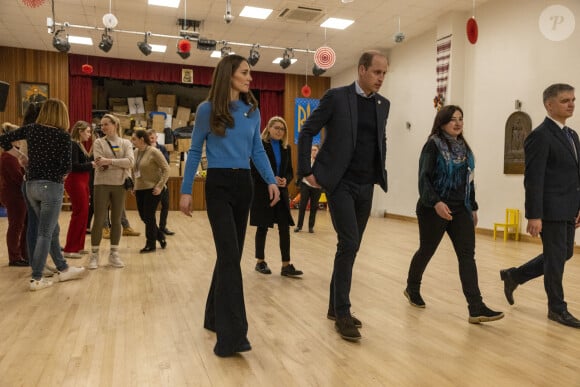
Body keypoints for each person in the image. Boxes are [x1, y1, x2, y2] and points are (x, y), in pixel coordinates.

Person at [179, 54, 280, 357]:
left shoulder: (252, 111)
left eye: (250, 73)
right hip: (218, 186)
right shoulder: (207, 110)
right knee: (228, 256)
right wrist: (185, 191)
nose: (251, 78)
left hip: (244, 185)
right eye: (245, 72)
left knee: (230, 255)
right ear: (229, 75)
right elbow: (195, 150)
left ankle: (212, 316)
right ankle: (232, 336)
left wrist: (271, 179)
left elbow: (256, 150)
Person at [297, 50, 389, 342]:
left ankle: (333, 307)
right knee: (348, 242)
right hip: (339, 183)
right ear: (361, 69)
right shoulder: (336, 98)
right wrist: (306, 170)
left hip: (366, 185)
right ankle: (344, 312)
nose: (381, 79)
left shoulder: (382, 105)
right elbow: (307, 130)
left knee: (352, 246)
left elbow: (377, 140)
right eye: (377, 72)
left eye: (384, 74)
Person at [404, 105, 504, 324]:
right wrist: (437, 202)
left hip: (461, 209)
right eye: (452, 119)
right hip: (433, 208)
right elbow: (424, 179)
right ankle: (412, 288)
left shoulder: (464, 149)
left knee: (467, 256)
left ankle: (476, 307)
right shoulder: (433, 145)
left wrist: (473, 207)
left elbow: (470, 180)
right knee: (427, 250)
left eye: (461, 119)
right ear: (442, 122)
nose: (458, 123)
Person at [500, 83, 580, 328]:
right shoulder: (540, 136)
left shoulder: (572, 135)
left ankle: (514, 275)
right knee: (556, 259)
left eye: (573, 100)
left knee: (563, 253)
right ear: (550, 104)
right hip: (550, 210)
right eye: (565, 100)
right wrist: (534, 215)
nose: (571, 104)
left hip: (569, 208)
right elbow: (533, 179)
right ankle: (557, 308)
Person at [0, 98, 85, 290]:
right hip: (51, 188)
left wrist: (20, 156)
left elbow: (3, 140)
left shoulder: (31, 129)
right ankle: (37, 278)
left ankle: (63, 268)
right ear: (62, 114)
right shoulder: (63, 136)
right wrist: (60, 175)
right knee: (45, 233)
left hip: (30, 186)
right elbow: (66, 167)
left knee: (51, 229)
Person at [250, 116, 303, 277]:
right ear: (269, 128)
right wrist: (271, 179)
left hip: (281, 192)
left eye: (282, 129)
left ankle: (286, 265)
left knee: (284, 228)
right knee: (263, 226)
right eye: (277, 128)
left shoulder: (286, 147)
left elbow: (290, 171)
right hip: (263, 192)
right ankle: (260, 261)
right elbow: (254, 169)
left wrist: (286, 180)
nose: (279, 131)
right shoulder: (260, 145)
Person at [89, 113, 134, 269]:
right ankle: (94, 255)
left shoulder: (126, 143)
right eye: (101, 125)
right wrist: (115, 163)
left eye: (106, 124)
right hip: (101, 184)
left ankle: (114, 254)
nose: (103, 127)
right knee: (99, 219)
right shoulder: (98, 142)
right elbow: (100, 163)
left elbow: (130, 162)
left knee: (116, 220)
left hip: (120, 184)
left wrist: (110, 161)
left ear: (115, 125)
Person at [131, 130, 169, 253]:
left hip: (153, 189)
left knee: (149, 216)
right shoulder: (136, 152)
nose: (132, 141)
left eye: (134, 139)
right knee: (144, 217)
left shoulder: (154, 151)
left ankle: (150, 244)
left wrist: (160, 186)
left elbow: (166, 169)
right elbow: (134, 170)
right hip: (140, 189)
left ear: (142, 139)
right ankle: (160, 236)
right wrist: (134, 186)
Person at [63, 121, 95, 258]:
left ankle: (78, 246)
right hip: (76, 181)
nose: (89, 135)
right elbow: (74, 166)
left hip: (82, 181)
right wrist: (92, 164)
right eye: (87, 132)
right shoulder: (73, 144)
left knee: (84, 213)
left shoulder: (79, 145)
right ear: (80, 131)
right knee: (79, 213)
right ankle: (70, 248)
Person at [0, 122, 28, 266]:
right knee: (16, 226)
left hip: (18, 194)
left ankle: (23, 253)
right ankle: (14, 257)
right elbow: (17, 178)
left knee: (22, 224)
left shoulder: (15, 156)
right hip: (14, 195)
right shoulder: (8, 157)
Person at [147, 129, 175, 236]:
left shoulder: (162, 148)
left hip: (162, 181)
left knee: (165, 205)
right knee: (151, 208)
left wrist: (156, 151)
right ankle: (154, 228)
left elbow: (166, 162)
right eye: (149, 138)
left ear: (156, 138)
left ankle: (163, 227)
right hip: (150, 182)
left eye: (153, 138)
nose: (151, 140)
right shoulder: (145, 149)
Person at [294, 144, 323, 233]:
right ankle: (299, 226)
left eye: (315, 150)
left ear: (318, 151)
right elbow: (300, 170)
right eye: (312, 150)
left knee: (314, 207)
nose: (313, 151)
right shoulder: (306, 160)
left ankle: (311, 227)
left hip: (317, 187)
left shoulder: (321, 162)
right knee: (302, 206)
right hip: (305, 185)